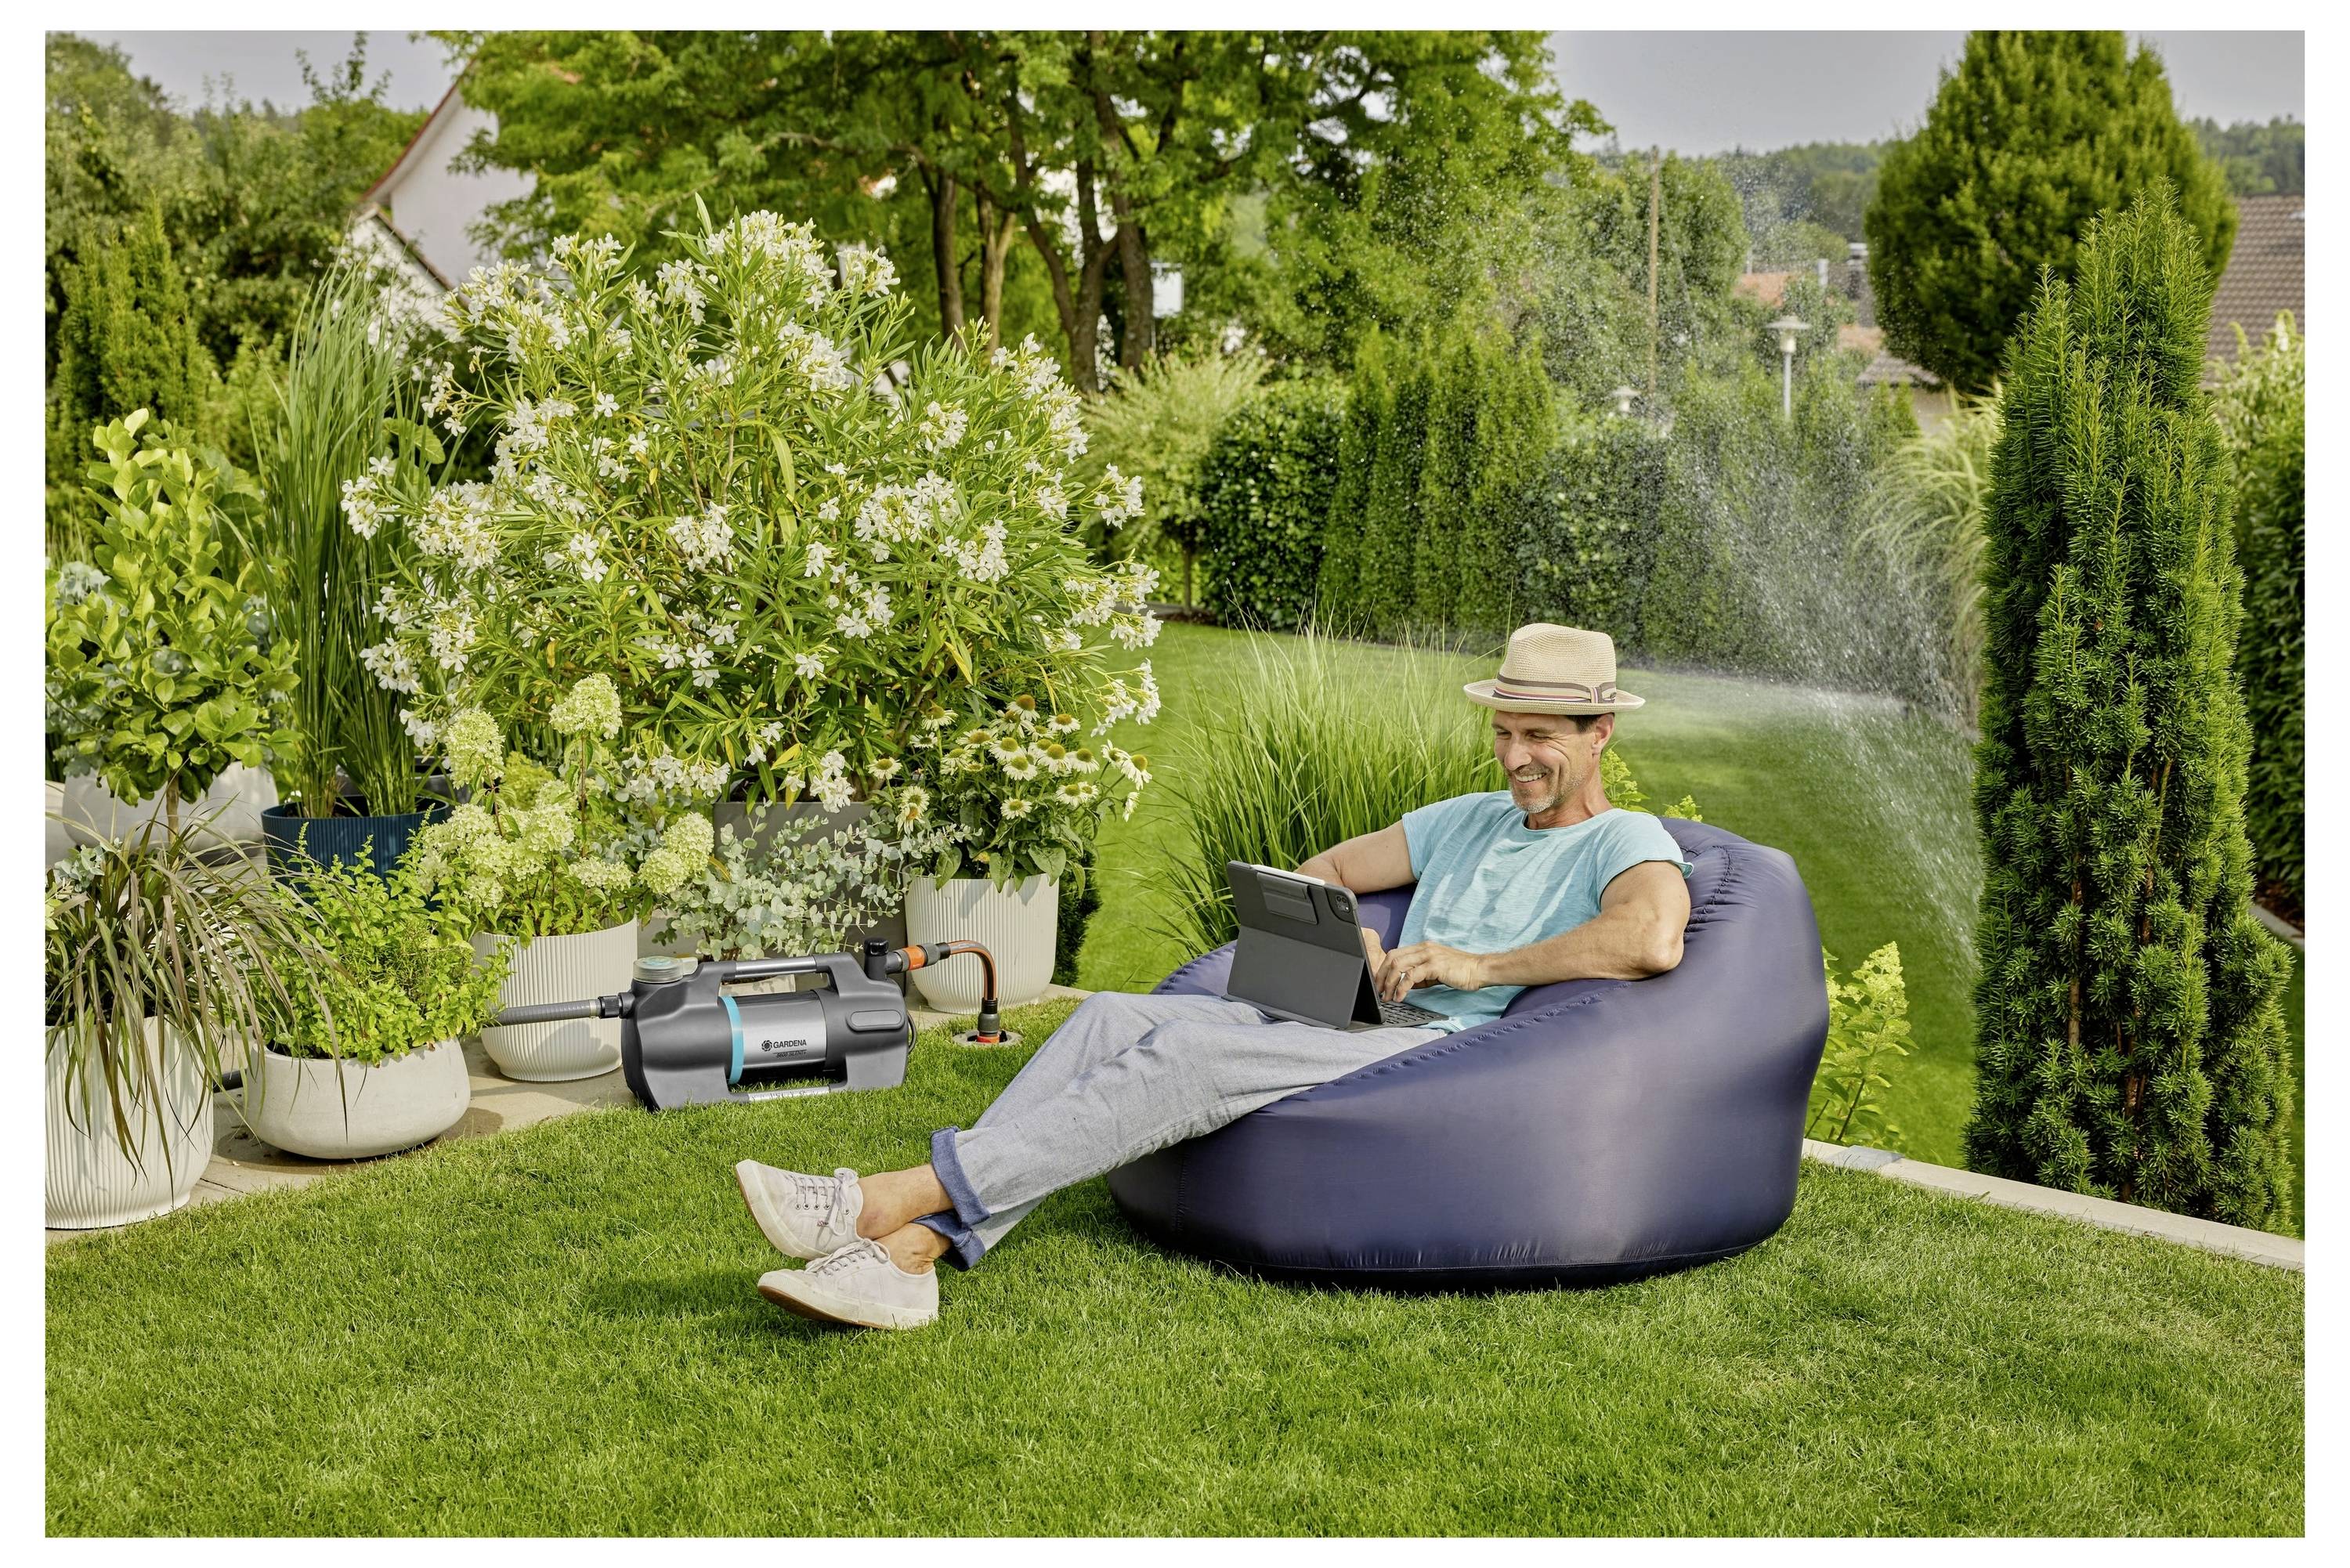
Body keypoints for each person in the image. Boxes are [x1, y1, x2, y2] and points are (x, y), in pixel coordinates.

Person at [739, 623, 1694, 1330]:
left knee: (1184, 1062)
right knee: (1111, 1017)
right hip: (1359, 1017)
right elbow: (1321, 871)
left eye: (1544, 737)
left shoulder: (1623, 838)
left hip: (1433, 1052)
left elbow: (1650, 937)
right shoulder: (1467, 816)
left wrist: (1476, 962)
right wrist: (1358, 939)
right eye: (1506, 731)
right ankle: (910, 1260)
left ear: (1600, 731)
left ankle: (880, 1204)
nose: (1519, 756)